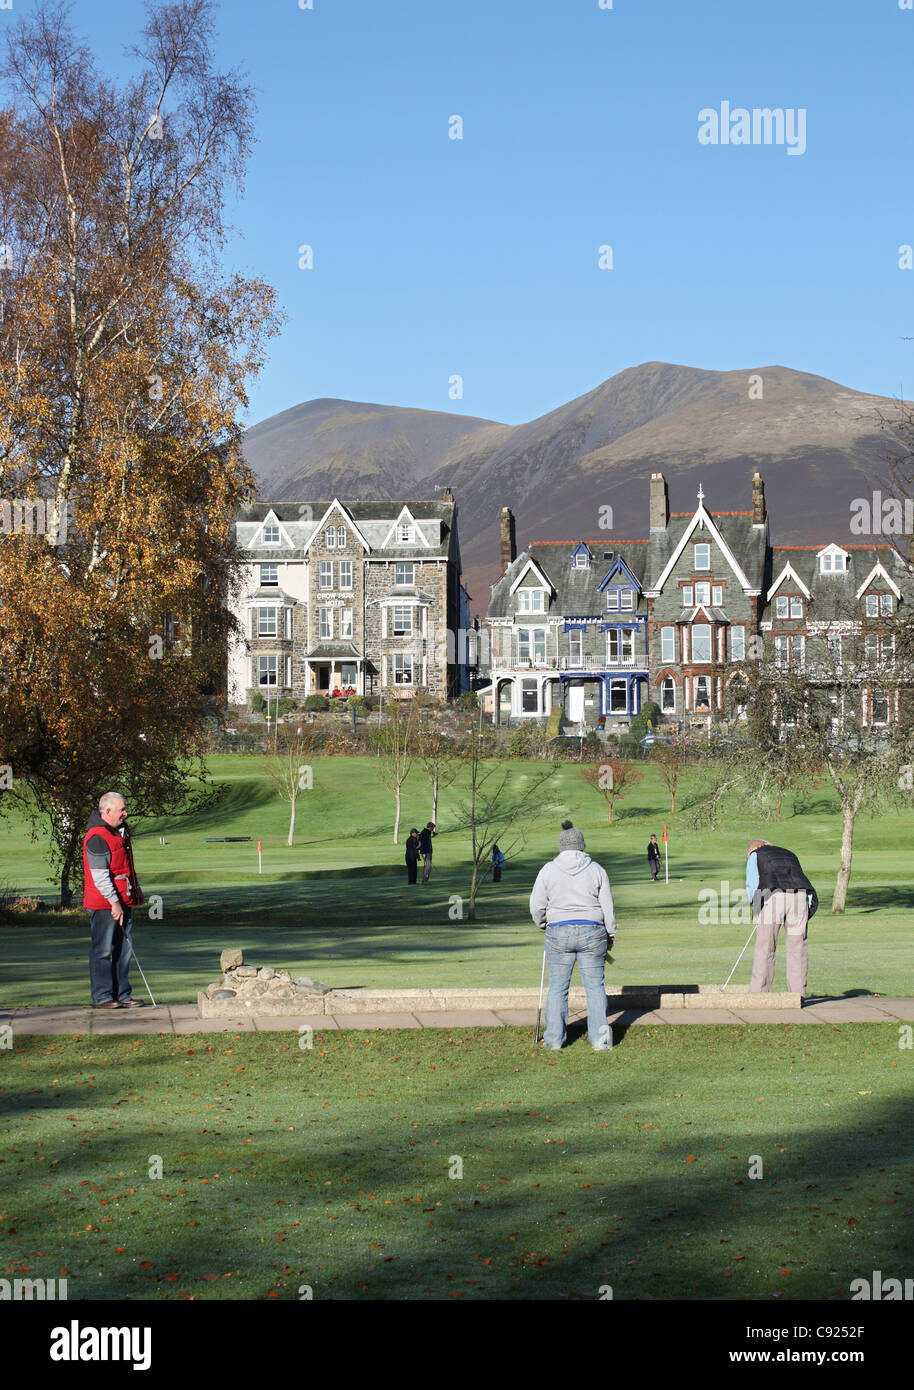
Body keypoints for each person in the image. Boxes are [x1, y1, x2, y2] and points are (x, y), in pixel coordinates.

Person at [529, 820, 617, 1051]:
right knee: (595, 987)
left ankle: (555, 1040)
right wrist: (611, 933)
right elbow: (607, 907)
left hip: (558, 931)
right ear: (581, 845)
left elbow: (536, 905)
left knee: (558, 986)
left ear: (561, 846)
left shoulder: (548, 869)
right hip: (593, 931)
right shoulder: (597, 869)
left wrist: (542, 924)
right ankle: (600, 1040)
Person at [82, 792, 145, 1009]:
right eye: (122, 810)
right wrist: (114, 902)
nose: (125, 813)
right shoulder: (97, 836)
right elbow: (99, 875)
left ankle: (122, 995)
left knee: (124, 949)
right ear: (108, 812)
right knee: (102, 951)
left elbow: (125, 866)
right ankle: (102, 997)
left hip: (123, 900)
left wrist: (136, 889)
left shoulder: (120, 832)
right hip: (103, 904)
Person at [745, 838, 818, 998]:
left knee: (766, 947)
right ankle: (797, 996)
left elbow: (753, 885)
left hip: (773, 897)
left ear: (752, 849)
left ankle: (758, 994)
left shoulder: (755, 855)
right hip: (800, 898)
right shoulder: (789, 853)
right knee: (797, 949)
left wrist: (757, 910)